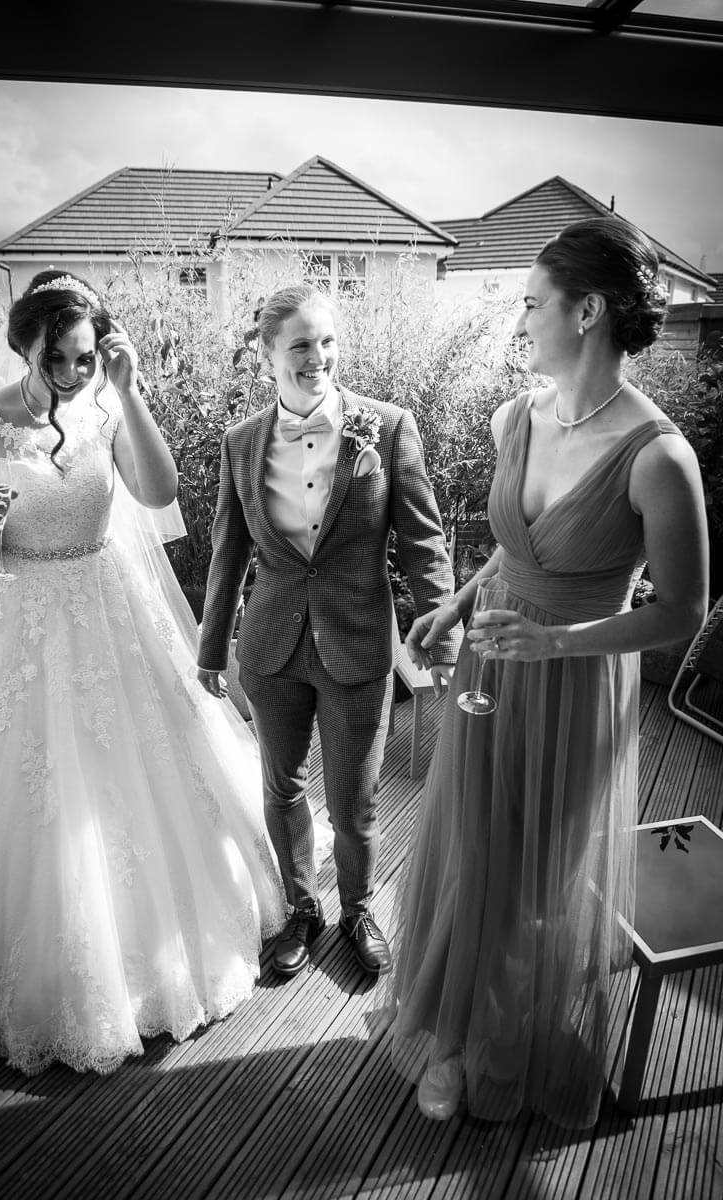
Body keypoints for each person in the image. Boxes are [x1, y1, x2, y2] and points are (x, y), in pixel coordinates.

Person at [385, 217, 709, 1129]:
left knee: (535, 872)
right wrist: (458, 604)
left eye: (533, 303)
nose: (520, 319)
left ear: (588, 311)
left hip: (576, 682)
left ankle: (488, 1040)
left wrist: (556, 645)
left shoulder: (659, 458)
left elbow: (681, 613)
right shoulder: (515, 416)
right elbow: (516, 549)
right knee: (474, 843)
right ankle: (453, 1033)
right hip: (491, 661)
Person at [0, 270, 288, 1076]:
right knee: (42, 783)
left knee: (136, 765)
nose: (72, 373)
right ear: (23, 348)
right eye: (57, 359)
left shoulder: (106, 403)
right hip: (25, 623)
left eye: (85, 357)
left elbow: (159, 491)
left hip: (108, 602)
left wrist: (126, 389)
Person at [197, 283, 460, 980]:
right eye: (302, 344)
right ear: (268, 356)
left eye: (328, 340)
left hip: (358, 643)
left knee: (354, 800)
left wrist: (443, 642)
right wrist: (211, 648)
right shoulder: (240, 442)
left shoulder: (388, 427)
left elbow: (424, 543)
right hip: (271, 648)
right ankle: (301, 909)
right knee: (281, 787)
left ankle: (358, 909)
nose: (318, 356)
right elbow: (228, 551)